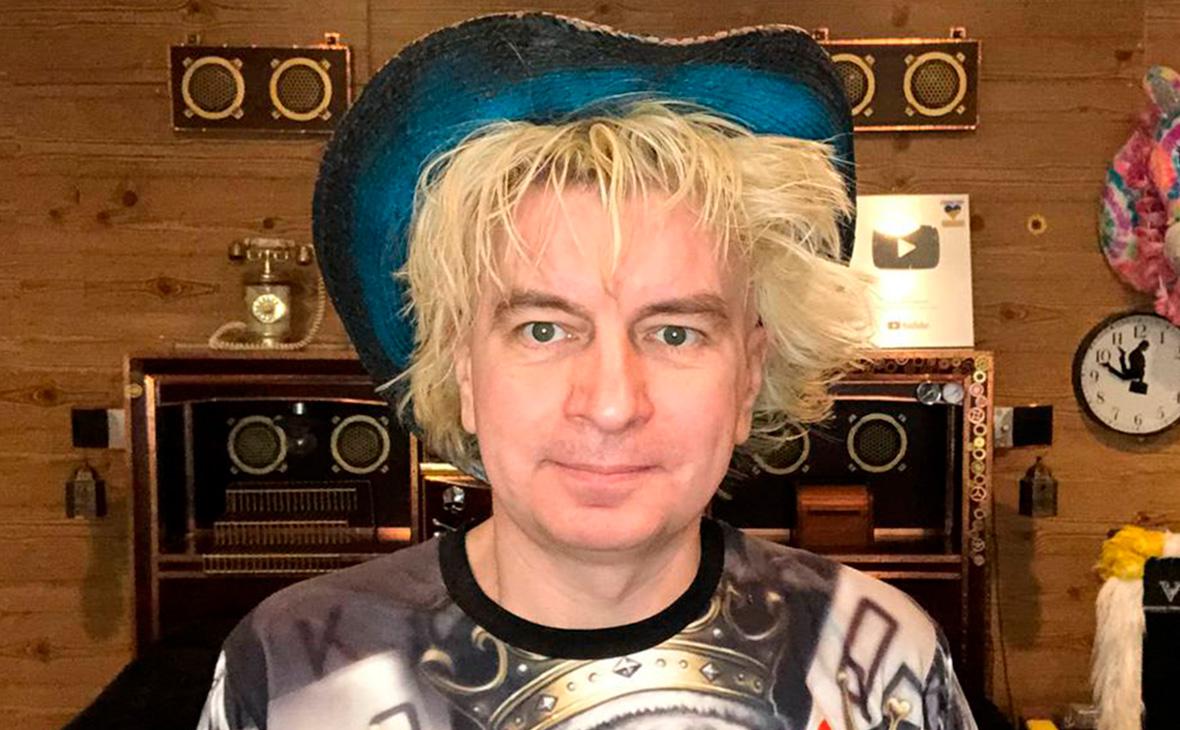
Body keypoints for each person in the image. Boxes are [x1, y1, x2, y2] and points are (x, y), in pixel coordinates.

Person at [198, 12, 979, 730]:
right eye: (544, 329)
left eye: (674, 332)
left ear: (748, 377)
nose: (611, 403)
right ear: (463, 369)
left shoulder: (881, 667)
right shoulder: (294, 672)